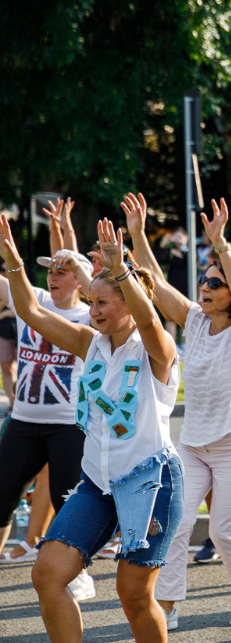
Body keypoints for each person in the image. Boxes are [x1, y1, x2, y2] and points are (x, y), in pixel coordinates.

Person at [5, 216, 183, 643]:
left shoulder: (157, 351)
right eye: (92, 301)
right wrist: (14, 261)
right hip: (98, 483)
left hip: (151, 481)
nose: (92, 309)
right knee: (47, 573)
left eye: (102, 302)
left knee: (132, 591)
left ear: (128, 302)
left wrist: (123, 267)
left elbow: (151, 322)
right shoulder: (90, 343)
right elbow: (32, 315)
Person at [121, 195, 231, 630]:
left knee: (225, 530)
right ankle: (166, 603)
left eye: (215, 284)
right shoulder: (193, 319)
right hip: (192, 443)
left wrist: (221, 244)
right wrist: (136, 234)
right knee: (177, 522)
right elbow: (154, 283)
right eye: (204, 282)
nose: (205, 288)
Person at [0, 240, 91, 580]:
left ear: (79, 280)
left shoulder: (90, 314)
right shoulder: (34, 299)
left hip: (68, 424)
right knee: (2, 494)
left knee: (67, 502)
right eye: (50, 269)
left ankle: (77, 575)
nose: (53, 276)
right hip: (24, 419)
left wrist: (85, 268)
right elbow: (7, 279)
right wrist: (11, 256)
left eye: (63, 271)